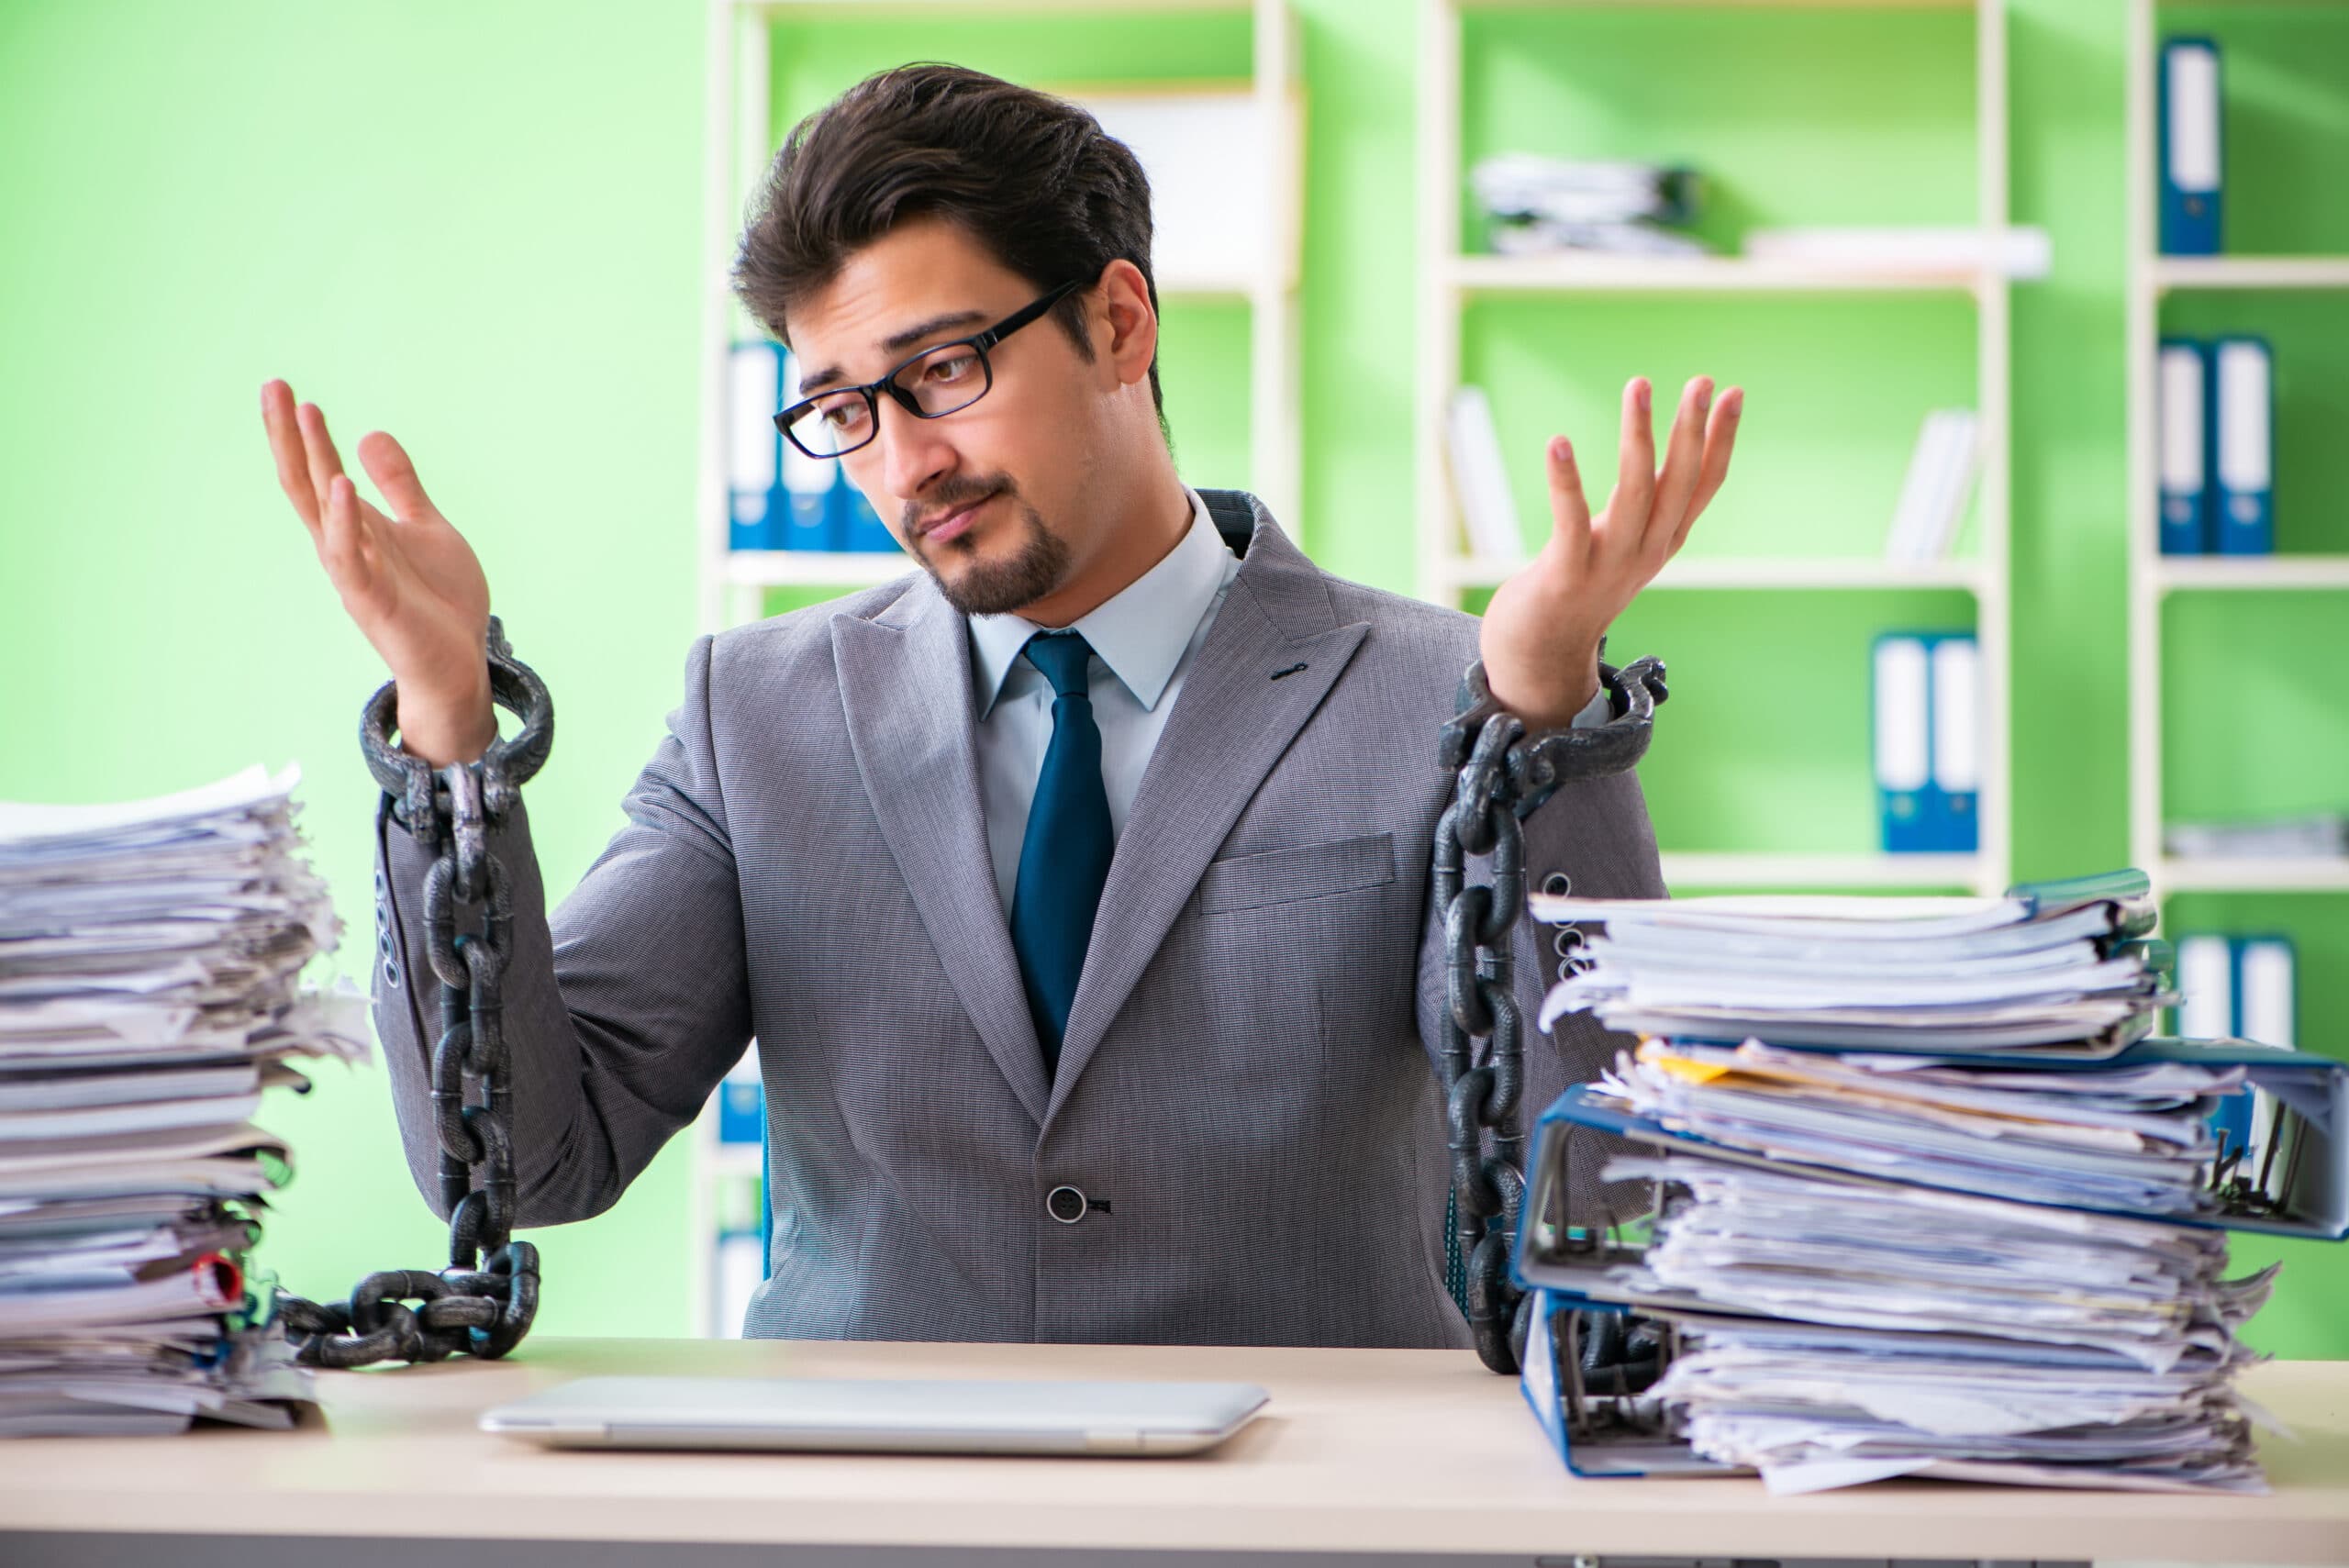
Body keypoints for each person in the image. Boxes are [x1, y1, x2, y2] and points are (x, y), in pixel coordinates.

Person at [259, 63, 1741, 1348]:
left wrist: (1545, 715)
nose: (903, 466)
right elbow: (528, 1157)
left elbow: (1593, 1160)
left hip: (1306, 1519)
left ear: (1117, 323)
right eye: (846, 410)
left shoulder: (1434, 694)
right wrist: (447, 719)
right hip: (878, 1524)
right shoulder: (755, 710)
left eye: (945, 371)